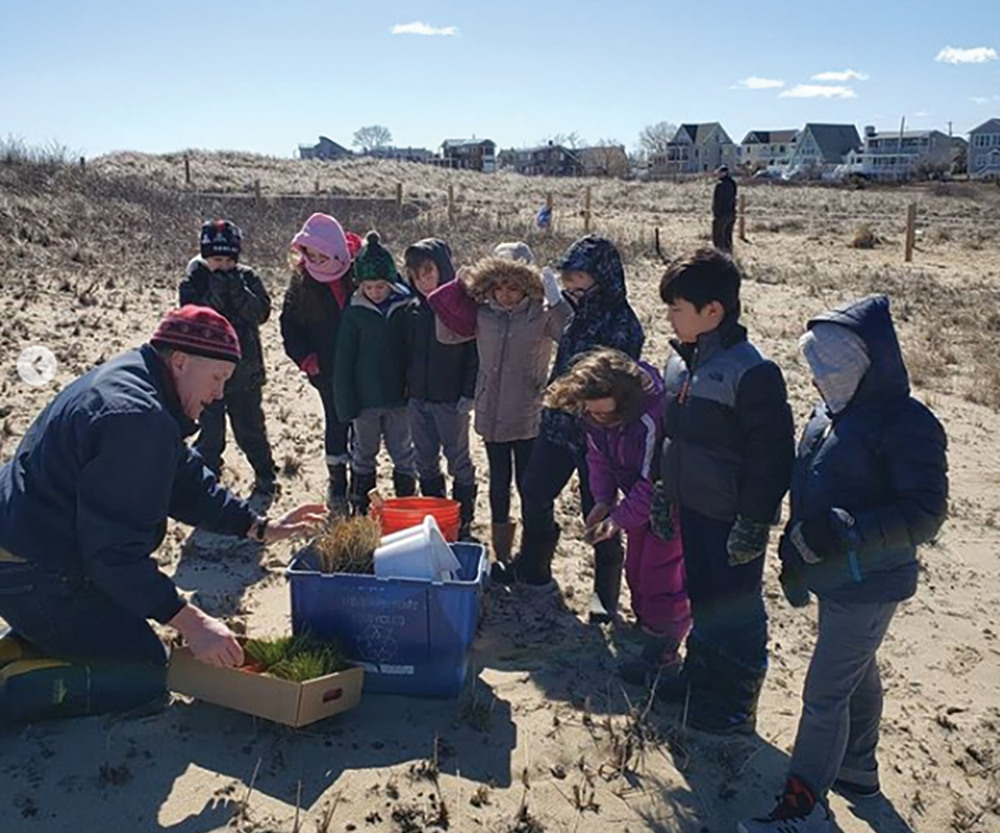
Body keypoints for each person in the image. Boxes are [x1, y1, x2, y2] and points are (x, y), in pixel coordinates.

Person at [0, 306, 326, 721]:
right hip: (34, 570)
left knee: (117, 633)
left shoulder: (141, 384)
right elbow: (114, 554)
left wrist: (258, 527)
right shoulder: (135, 419)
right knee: (145, 674)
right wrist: (191, 623)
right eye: (217, 378)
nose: (220, 394)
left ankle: (22, 643)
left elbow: (185, 481)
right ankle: (9, 690)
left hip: (32, 553)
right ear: (180, 361)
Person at [738, 295, 948, 833]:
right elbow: (808, 486)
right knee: (856, 671)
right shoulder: (828, 414)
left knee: (824, 693)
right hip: (836, 576)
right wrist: (796, 552)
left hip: (873, 581)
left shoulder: (908, 425)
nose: (817, 377)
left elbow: (924, 513)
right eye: (814, 367)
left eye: (829, 366)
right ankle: (857, 769)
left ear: (867, 363)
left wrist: (844, 530)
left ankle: (804, 807)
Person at [654, 247, 794, 734]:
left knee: (737, 607)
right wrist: (660, 492)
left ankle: (736, 702)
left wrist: (754, 522)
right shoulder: (679, 367)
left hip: (732, 518)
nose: (670, 317)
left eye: (677, 308)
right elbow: (671, 437)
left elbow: (773, 457)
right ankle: (700, 679)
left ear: (713, 311)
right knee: (703, 596)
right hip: (692, 507)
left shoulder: (751, 372)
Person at [494, 235, 645, 626]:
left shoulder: (623, 324)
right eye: (569, 278)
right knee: (534, 489)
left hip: (601, 432)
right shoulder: (577, 313)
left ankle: (604, 592)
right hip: (559, 424)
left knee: (597, 507)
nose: (572, 286)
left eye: (579, 278)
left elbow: (614, 386)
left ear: (604, 278)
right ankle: (535, 563)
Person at [547, 349, 691, 683]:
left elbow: (651, 481)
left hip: (667, 506)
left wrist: (617, 521)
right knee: (636, 568)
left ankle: (664, 653)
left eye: (603, 413)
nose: (596, 419)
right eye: (591, 413)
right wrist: (603, 500)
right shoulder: (594, 418)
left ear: (623, 400)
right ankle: (647, 628)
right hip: (635, 506)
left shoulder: (650, 418)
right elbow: (598, 460)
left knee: (661, 576)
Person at [426, 243, 571, 562]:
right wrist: (455, 291)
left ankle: (533, 553)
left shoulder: (541, 314)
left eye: (515, 287)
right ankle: (503, 554)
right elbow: (447, 334)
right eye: (500, 286)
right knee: (498, 482)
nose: (506, 294)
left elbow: (569, 335)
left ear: (528, 285)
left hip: (528, 414)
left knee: (529, 485)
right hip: (491, 413)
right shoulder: (483, 312)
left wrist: (558, 302)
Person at [179, 219, 278, 498]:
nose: (222, 265)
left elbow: (260, 313)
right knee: (210, 434)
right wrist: (216, 292)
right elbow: (196, 317)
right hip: (205, 374)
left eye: (228, 259)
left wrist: (237, 290)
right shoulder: (194, 280)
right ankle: (206, 481)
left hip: (244, 372)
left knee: (251, 430)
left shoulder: (247, 278)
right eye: (216, 259)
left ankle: (265, 475)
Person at [279, 213, 360, 517]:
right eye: (309, 254)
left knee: (363, 425)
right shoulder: (302, 281)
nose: (314, 259)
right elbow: (289, 326)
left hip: (362, 366)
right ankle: (337, 482)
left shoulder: (359, 270)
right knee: (337, 421)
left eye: (320, 254)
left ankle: (361, 482)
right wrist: (306, 359)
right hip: (325, 368)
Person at [334, 232, 418, 514]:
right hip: (365, 399)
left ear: (391, 282)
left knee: (403, 452)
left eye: (380, 286)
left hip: (399, 397)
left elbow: (413, 351)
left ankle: (405, 502)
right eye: (369, 286)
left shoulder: (405, 307)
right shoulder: (354, 312)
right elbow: (344, 361)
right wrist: (346, 403)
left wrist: (413, 387)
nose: (375, 292)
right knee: (364, 454)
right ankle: (360, 505)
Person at [402, 238, 479, 539]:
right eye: (416, 275)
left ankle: (464, 518)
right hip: (418, 398)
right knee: (425, 459)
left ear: (443, 269)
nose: (423, 280)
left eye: (428, 272)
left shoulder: (462, 307)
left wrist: (468, 393)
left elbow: (474, 354)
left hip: (451, 400)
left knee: (458, 457)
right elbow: (404, 355)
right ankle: (436, 515)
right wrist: (406, 390)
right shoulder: (413, 310)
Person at [712, 165, 737, 253]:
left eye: (719, 173)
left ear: (724, 173)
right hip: (731, 213)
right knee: (728, 237)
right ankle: (729, 255)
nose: (717, 175)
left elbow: (717, 201)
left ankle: (720, 257)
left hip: (722, 215)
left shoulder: (720, 185)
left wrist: (716, 213)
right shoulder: (733, 183)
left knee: (718, 238)